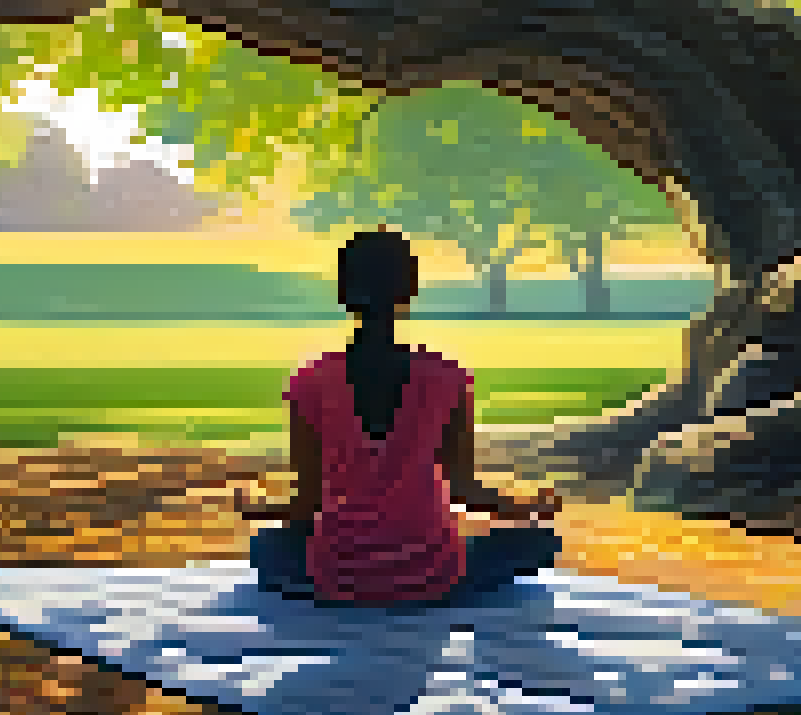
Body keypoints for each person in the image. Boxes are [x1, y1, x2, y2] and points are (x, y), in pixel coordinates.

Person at [238, 228, 564, 606]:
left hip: (340, 575)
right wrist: (528, 508)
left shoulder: (311, 380)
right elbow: (464, 490)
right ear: (410, 292)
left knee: (266, 547)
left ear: (344, 295)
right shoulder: (447, 376)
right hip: (433, 574)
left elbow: (306, 505)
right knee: (540, 541)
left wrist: (260, 508)